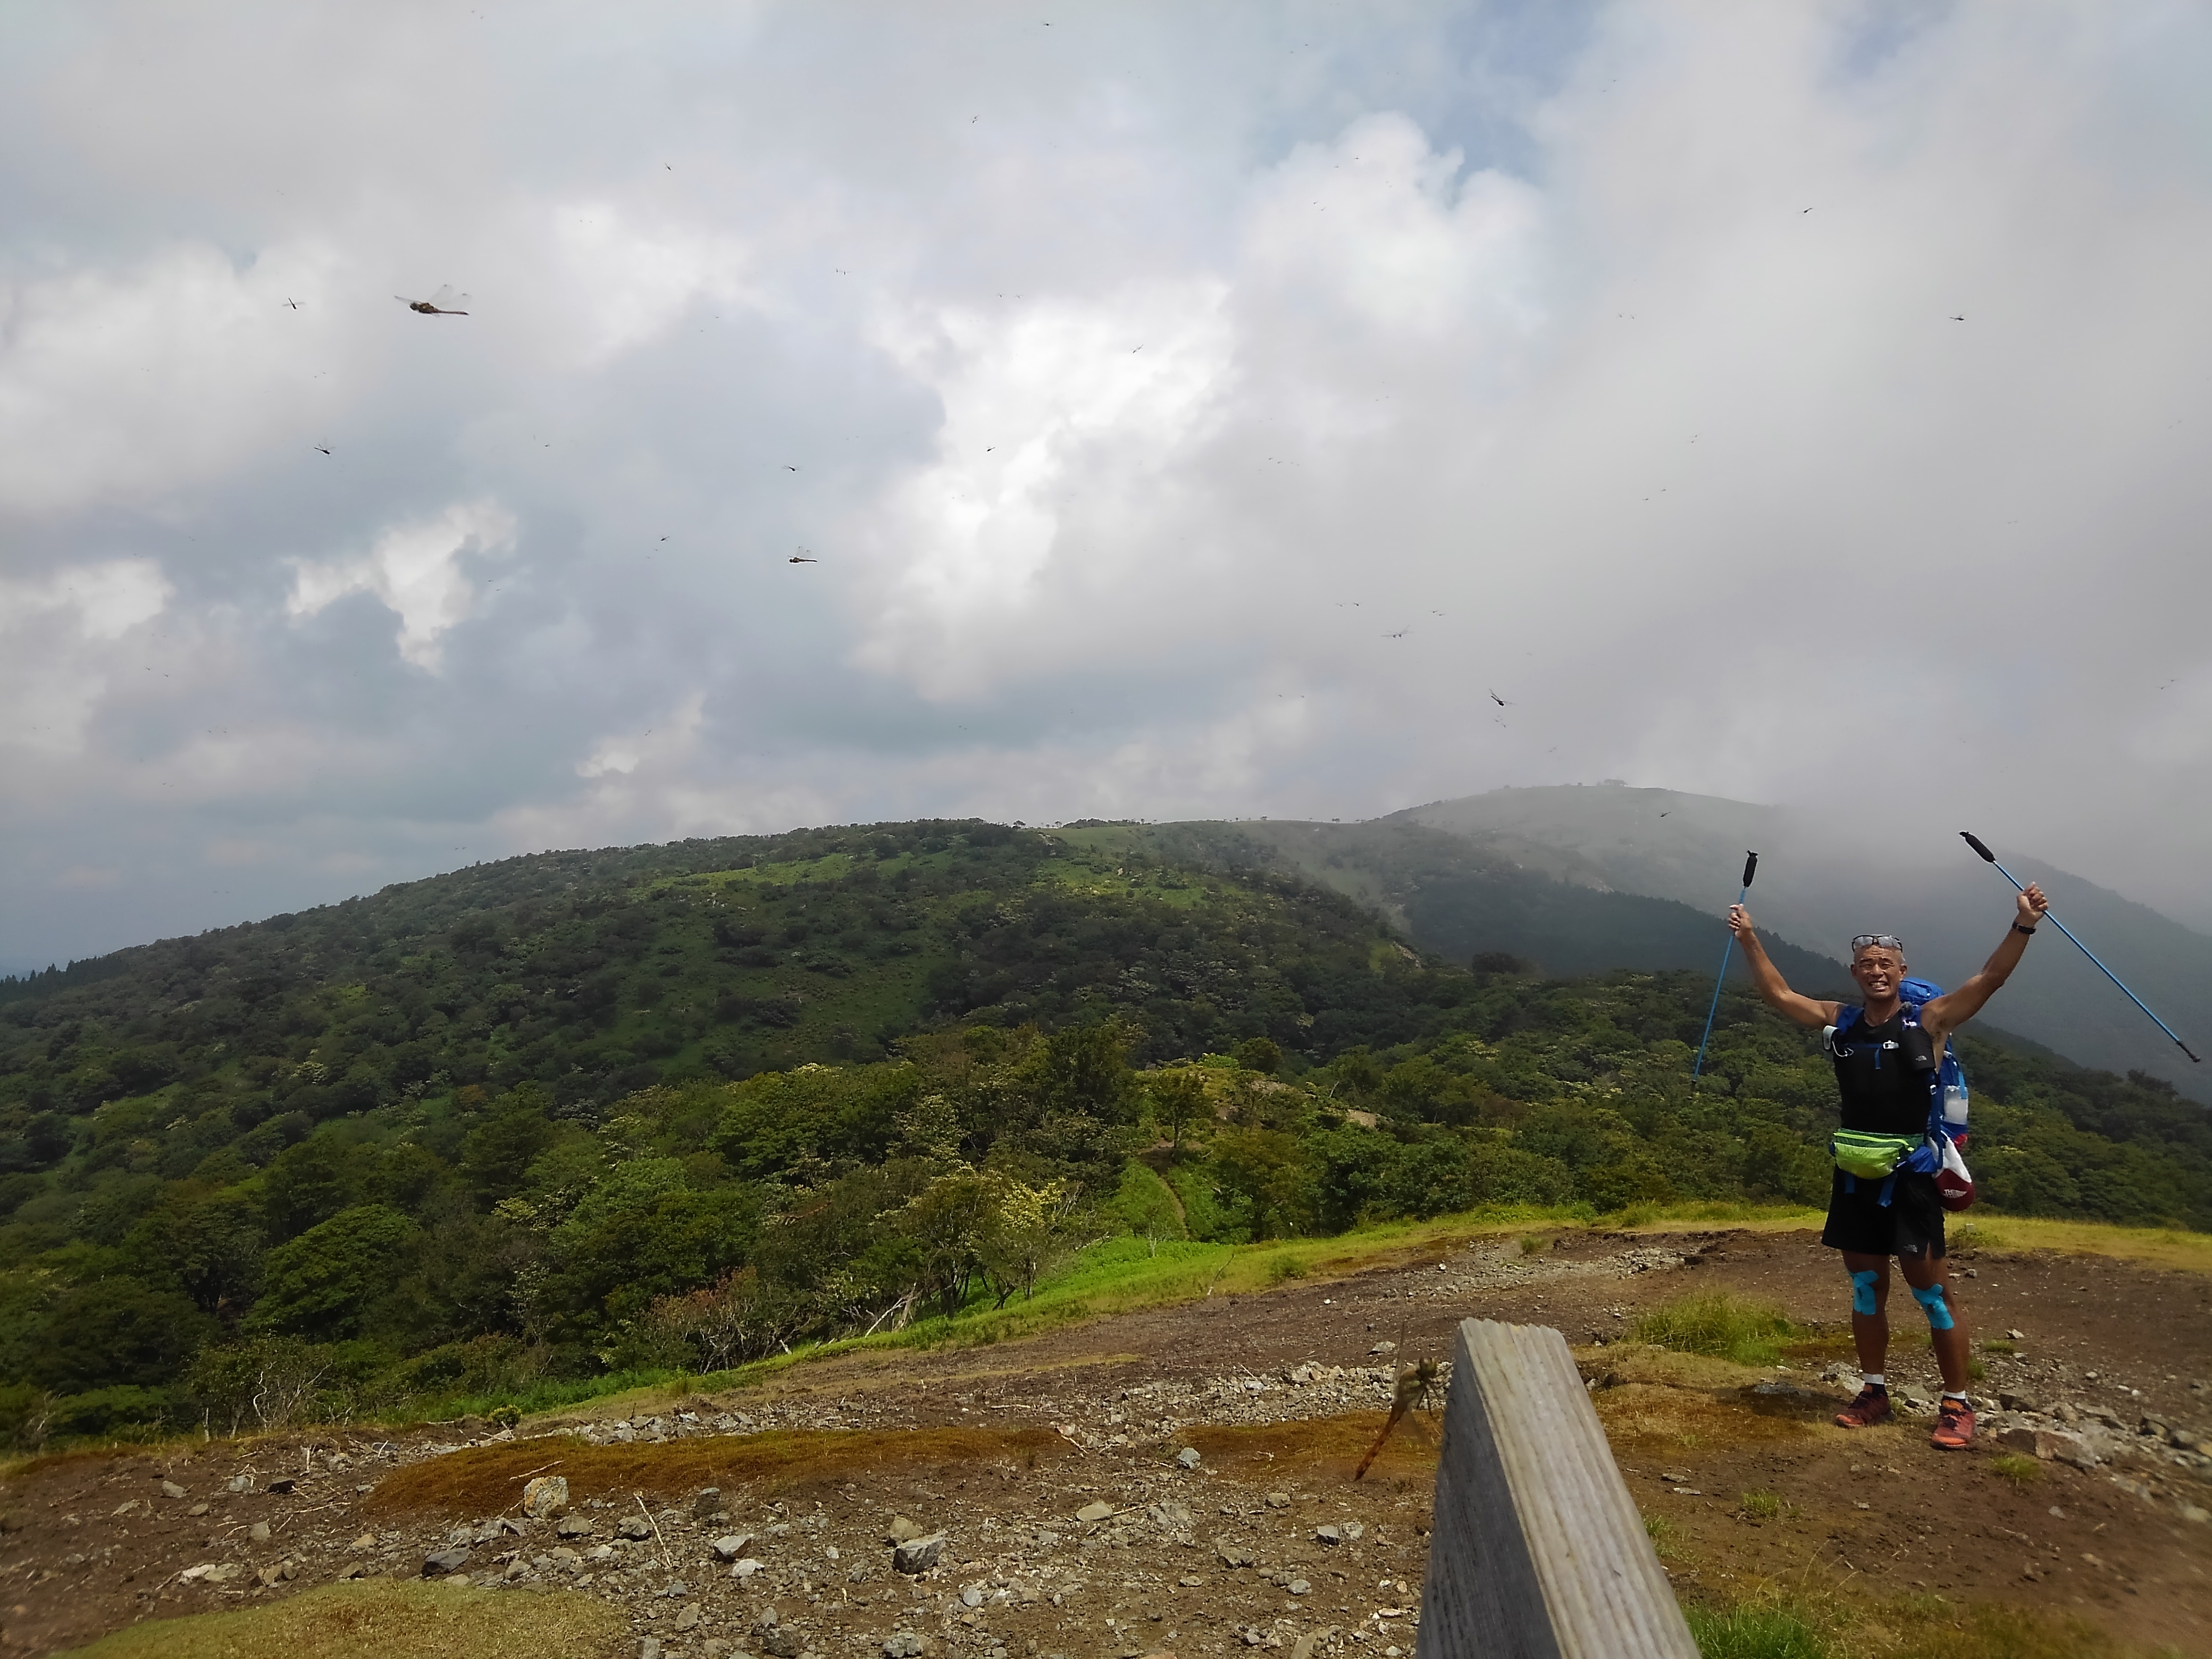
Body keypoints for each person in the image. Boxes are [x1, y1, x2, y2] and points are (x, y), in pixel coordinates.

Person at [1724, 882, 2049, 1449]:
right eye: (1866, 964)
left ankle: (1956, 1404)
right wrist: (1749, 937)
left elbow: (1988, 979)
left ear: (1901, 971)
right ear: (1854, 973)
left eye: (1885, 964)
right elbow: (1777, 994)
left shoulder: (1930, 1021)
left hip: (1911, 1176)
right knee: (1865, 1287)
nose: (1876, 971)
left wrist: (2022, 925)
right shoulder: (1841, 1022)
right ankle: (1873, 1391)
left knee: (1930, 1293)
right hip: (1853, 1173)